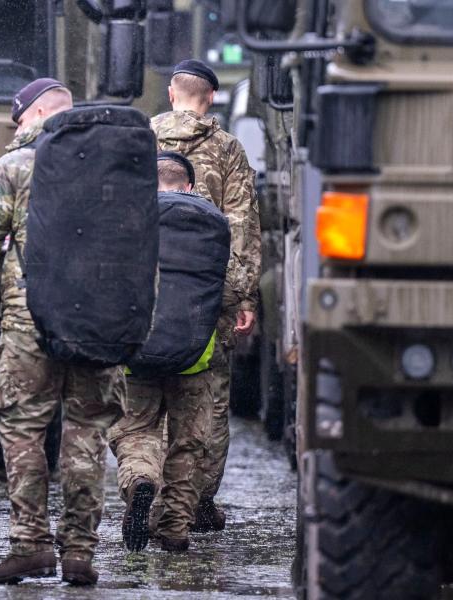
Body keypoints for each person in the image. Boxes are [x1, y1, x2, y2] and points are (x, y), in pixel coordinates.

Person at [0, 78, 123, 586]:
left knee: (22, 425)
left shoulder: (14, 166)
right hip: (97, 319)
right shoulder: (111, 169)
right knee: (87, 430)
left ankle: (30, 544)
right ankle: (79, 553)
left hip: (30, 319)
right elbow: (136, 248)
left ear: (31, 114)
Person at [151, 59, 262, 532]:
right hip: (206, 296)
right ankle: (195, 501)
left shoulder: (140, 140)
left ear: (172, 93)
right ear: (211, 97)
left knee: (145, 394)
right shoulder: (228, 149)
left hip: (146, 293)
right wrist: (241, 297)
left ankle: (150, 489)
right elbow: (242, 227)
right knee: (209, 402)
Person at [109, 152, 216, 553]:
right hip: (194, 354)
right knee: (189, 441)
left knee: (135, 430)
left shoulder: (124, 218)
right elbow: (230, 284)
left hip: (134, 351)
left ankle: (140, 480)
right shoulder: (210, 220)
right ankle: (173, 529)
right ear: (188, 185)